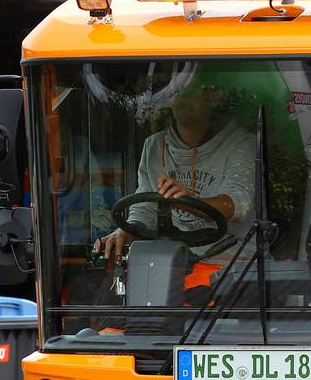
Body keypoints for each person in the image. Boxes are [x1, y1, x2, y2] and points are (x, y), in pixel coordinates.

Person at [95, 70, 254, 262]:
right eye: (177, 90)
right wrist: (126, 232)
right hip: (176, 265)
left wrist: (190, 202)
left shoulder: (242, 144)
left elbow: (238, 205)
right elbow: (146, 209)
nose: (183, 97)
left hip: (235, 267)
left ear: (213, 98)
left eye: (192, 90)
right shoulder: (154, 146)